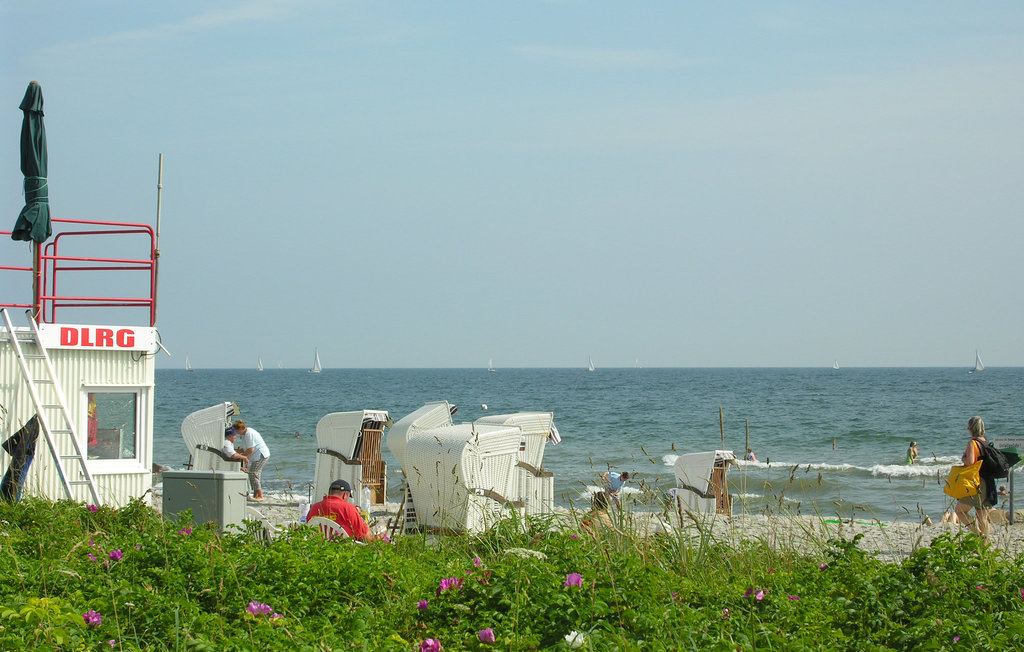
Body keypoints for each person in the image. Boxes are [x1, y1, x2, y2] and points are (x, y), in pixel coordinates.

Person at [954, 416, 991, 540]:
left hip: (976, 483)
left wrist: (963, 457)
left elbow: (970, 462)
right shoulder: (985, 442)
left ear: (971, 428)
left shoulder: (973, 443)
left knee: (960, 511)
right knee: (982, 517)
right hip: (988, 482)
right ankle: (984, 545)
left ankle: (978, 534)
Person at [233, 419, 270, 501]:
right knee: (255, 475)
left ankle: (260, 495)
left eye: (236, 431)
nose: (236, 433)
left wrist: (241, 456)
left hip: (261, 455)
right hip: (259, 455)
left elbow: (251, 450)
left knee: (253, 474)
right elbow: (246, 448)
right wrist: (239, 451)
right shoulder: (244, 434)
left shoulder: (249, 434)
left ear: (241, 429)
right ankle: (256, 494)